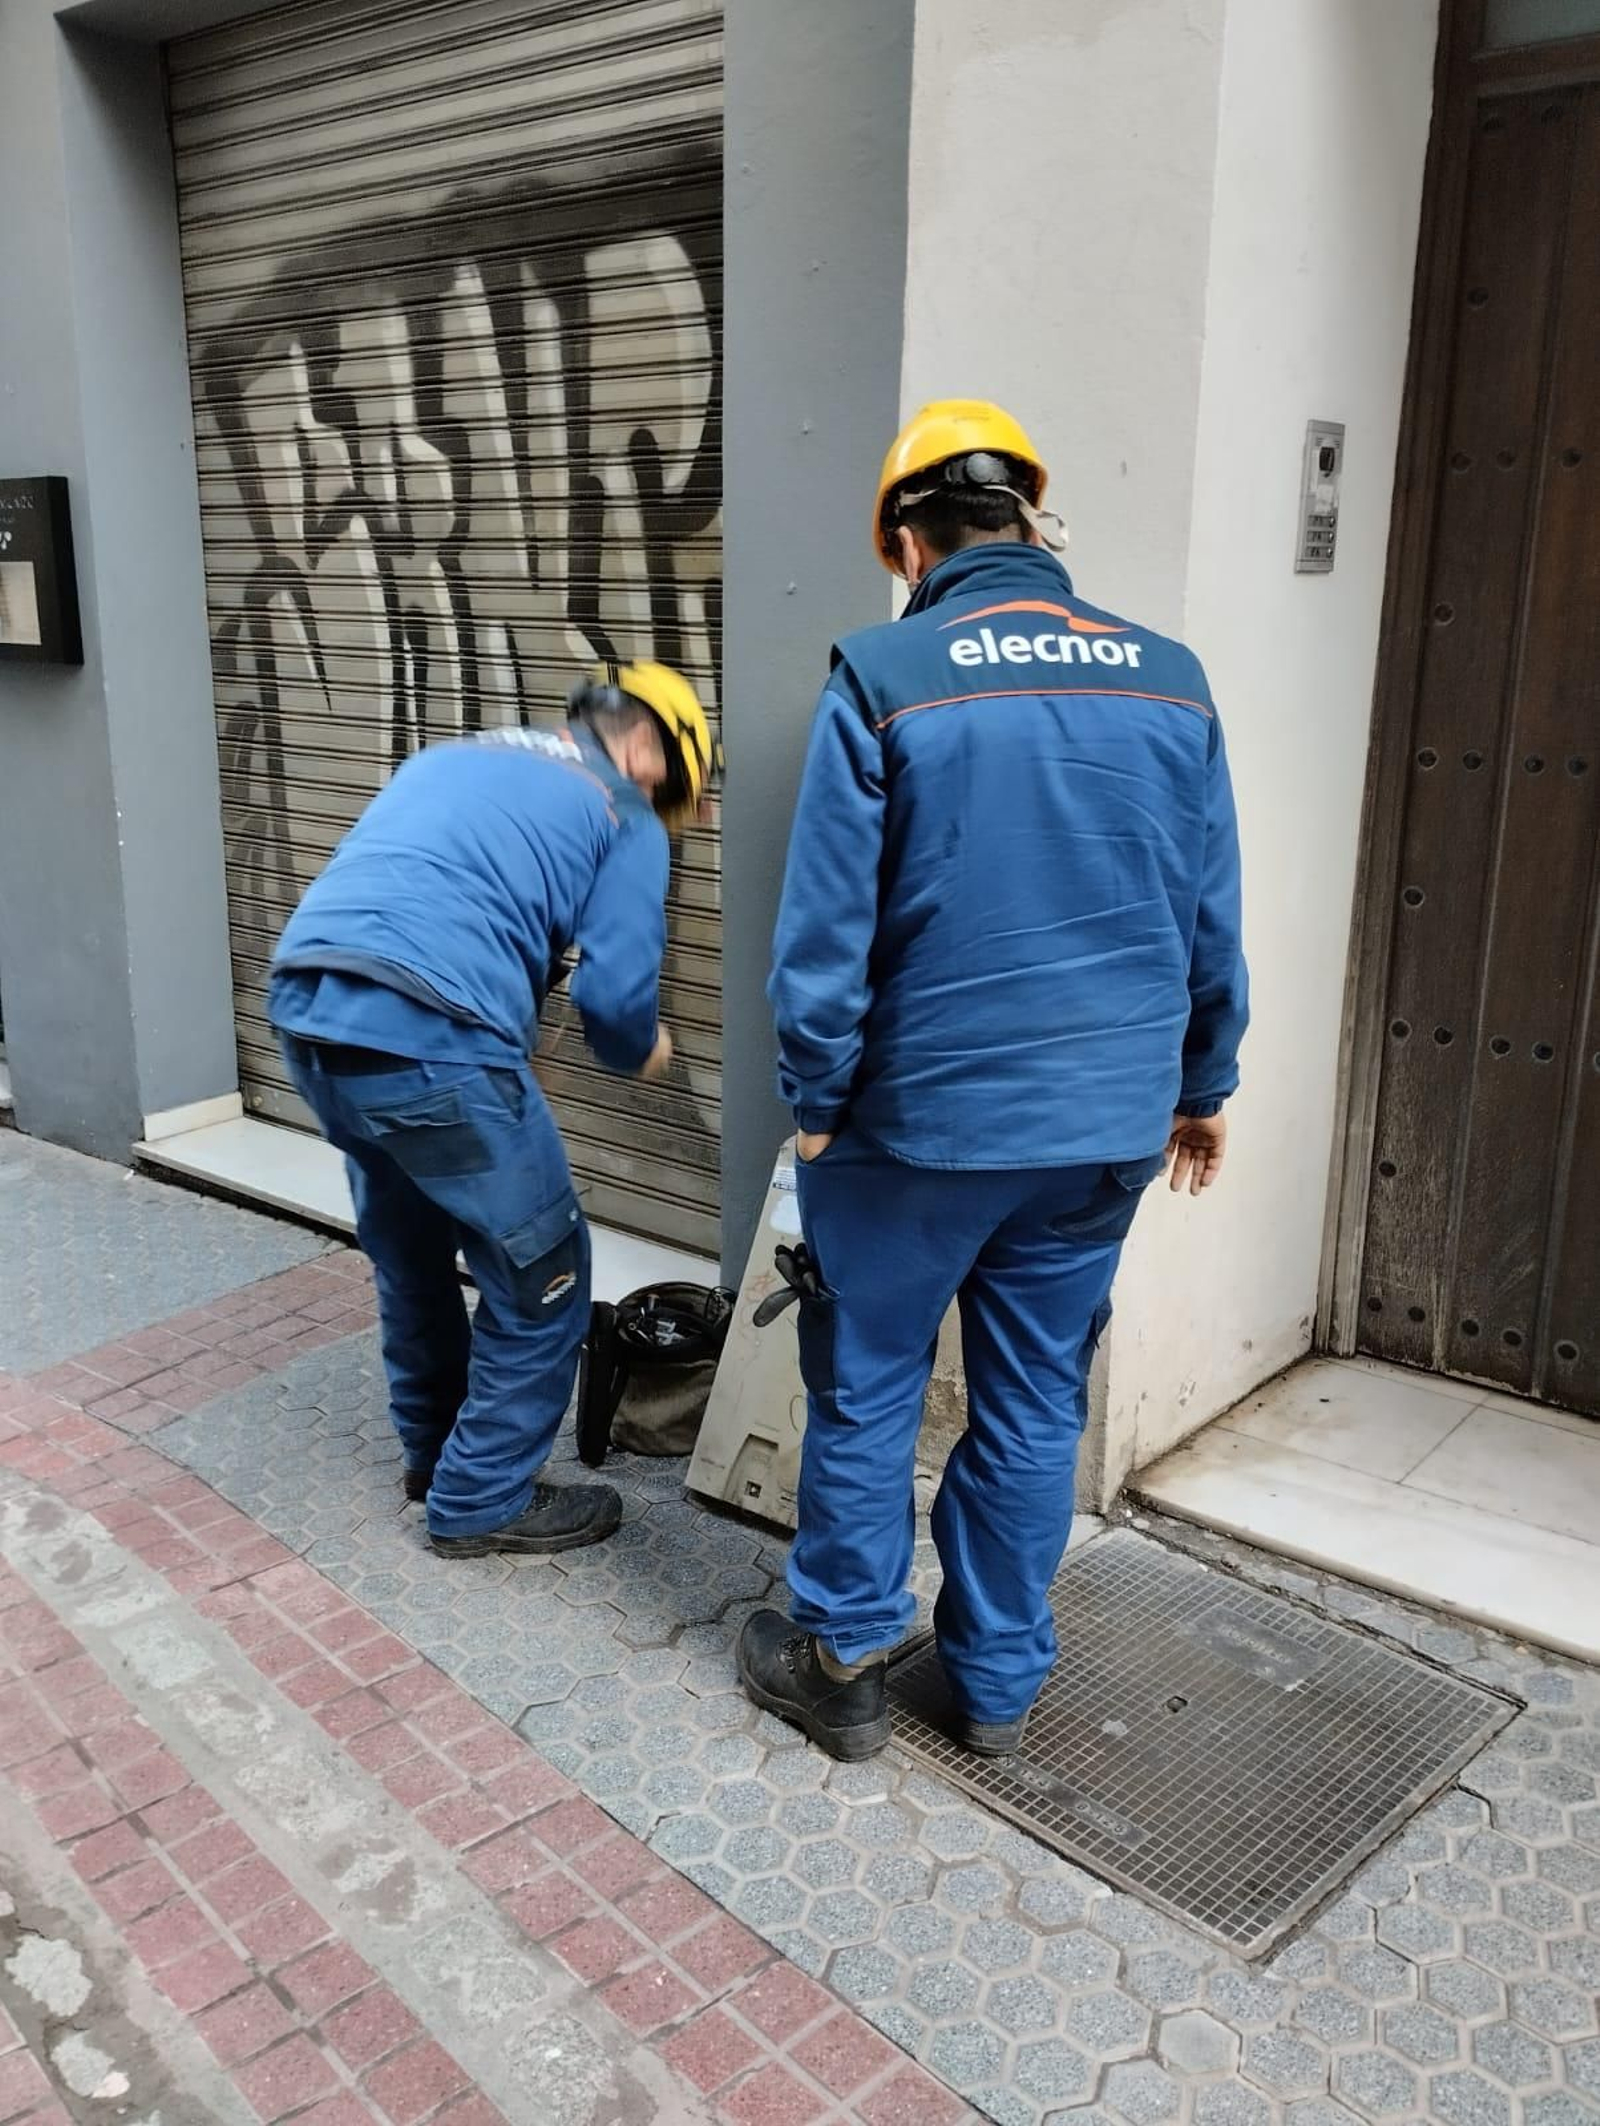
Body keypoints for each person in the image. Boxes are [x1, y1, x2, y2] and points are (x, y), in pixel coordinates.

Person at [739, 400, 1248, 1760]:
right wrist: (1204, 1083)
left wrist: (817, 1097)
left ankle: (842, 1662)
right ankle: (1001, 1686)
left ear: (903, 541)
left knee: (868, 1386)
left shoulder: (885, 672)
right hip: (1100, 1136)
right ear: (1034, 517)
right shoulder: (1172, 677)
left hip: (914, 1132)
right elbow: (1208, 913)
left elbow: (825, 937)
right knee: (1032, 1408)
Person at [268, 662, 719, 1558]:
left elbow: (431, 897)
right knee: (545, 1270)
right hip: (434, 1037)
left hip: (313, 1019)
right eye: (674, 786)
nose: (667, 805)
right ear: (652, 747)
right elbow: (617, 1006)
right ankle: (480, 1500)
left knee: (414, 1256)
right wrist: (645, 1047)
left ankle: (436, 1458)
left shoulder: (454, 757)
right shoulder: (620, 809)